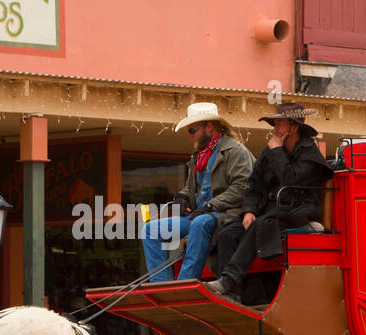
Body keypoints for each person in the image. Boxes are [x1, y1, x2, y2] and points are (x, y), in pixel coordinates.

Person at [208, 103, 334, 302]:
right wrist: (248, 210)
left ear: (294, 127)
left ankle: (229, 280)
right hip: (269, 211)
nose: (275, 129)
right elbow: (254, 186)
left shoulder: (310, 153)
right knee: (227, 234)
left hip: (297, 211)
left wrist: (276, 152)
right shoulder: (270, 151)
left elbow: (290, 179)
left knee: (260, 225)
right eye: (274, 124)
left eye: (280, 124)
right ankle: (232, 294)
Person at [141, 102, 253, 282]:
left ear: (210, 127)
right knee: (150, 230)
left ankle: (183, 284)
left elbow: (242, 187)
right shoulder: (199, 156)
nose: (190, 135)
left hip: (227, 215)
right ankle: (162, 285)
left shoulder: (236, 151)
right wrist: (182, 196)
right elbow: (193, 186)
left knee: (199, 223)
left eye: (193, 130)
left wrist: (210, 205)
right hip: (200, 214)